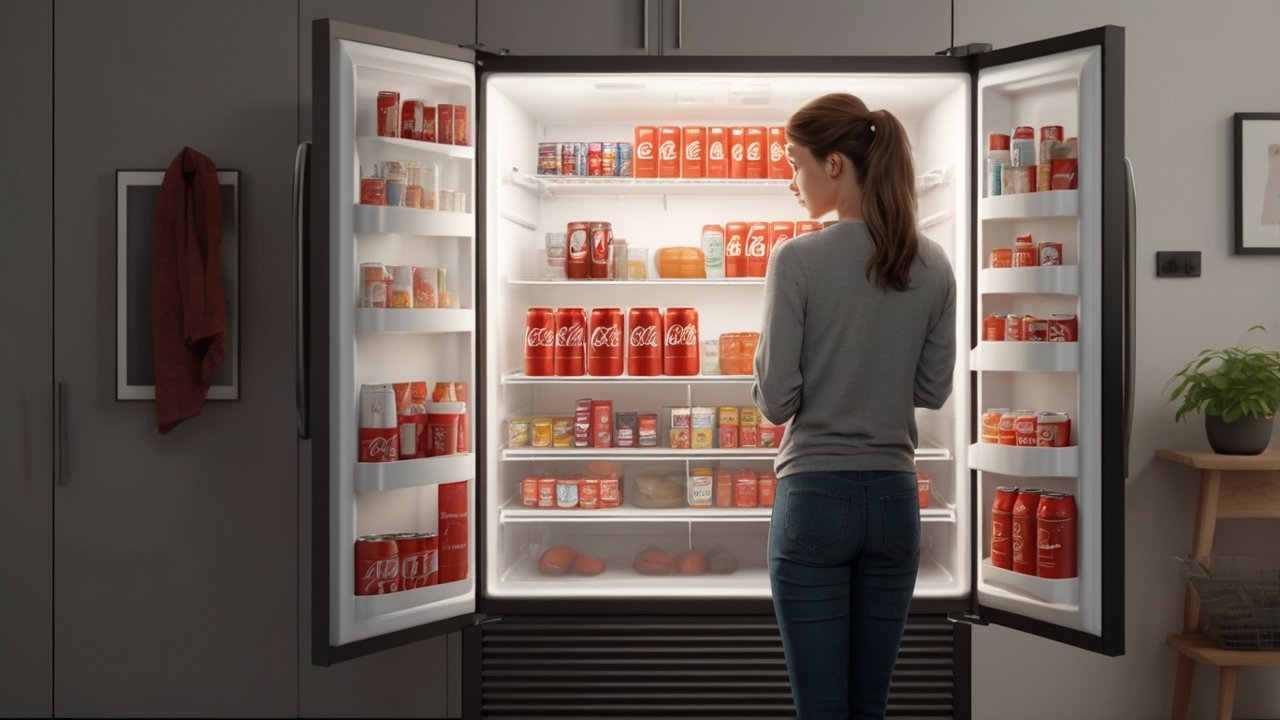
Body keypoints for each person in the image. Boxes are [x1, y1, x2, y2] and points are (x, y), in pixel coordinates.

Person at [752, 93, 956, 719]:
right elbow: (931, 390)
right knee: (870, 708)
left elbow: (776, 401)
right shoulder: (933, 262)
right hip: (896, 501)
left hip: (815, 500)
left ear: (835, 164)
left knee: (821, 709)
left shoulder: (797, 259)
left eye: (796, 163)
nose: (793, 180)